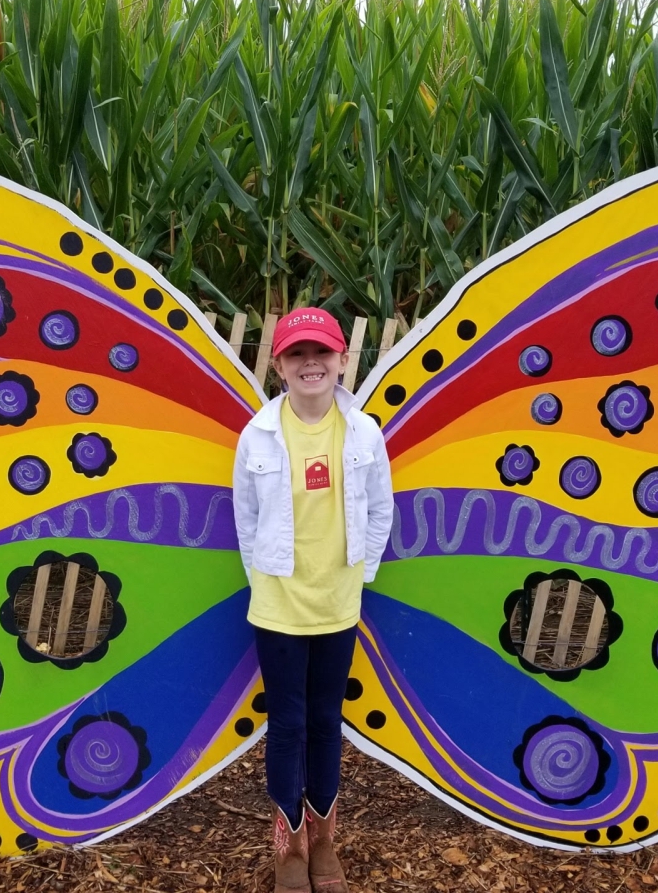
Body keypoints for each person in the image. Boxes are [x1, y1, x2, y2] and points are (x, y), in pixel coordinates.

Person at [232, 307, 394, 893]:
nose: (310, 364)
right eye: (297, 354)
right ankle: (289, 847)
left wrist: (359, 575)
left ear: (342, 362)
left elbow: (381, 510)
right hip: (278, 605)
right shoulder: (259, 433)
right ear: (279, 366)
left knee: (327, 722)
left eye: (321, 353)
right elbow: (245, 518)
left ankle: (325, 841)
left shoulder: (364, 432)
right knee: (288, 722)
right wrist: (266, 579)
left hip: (337, 602)